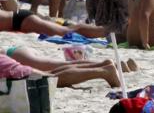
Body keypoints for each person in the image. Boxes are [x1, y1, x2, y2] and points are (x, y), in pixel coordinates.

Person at [0, 47, 131, 88]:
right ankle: (103, 66)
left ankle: (104, 71)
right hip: (7, 65)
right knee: (50, 73)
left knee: (51, 79)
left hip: (12, 71)